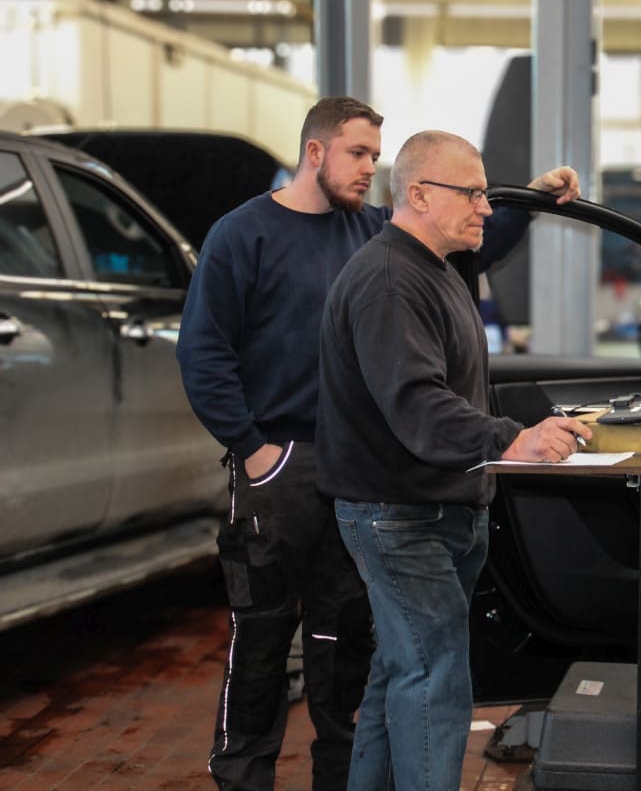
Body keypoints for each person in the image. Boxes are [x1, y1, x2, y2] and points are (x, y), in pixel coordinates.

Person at [176, 97, 580, 791]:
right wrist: (252, 449)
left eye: (375, 154)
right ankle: (244, 777)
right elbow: (204, 352)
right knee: (268, 640)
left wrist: (530, 200)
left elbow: (461, 232)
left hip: (359, 464)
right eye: (359, 153)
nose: (371, 167)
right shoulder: (247, 235)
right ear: (315, 152)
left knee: (356, 653)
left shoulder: (371, 233)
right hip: (286, 464)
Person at [316, 130, 592, 791]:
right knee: (435, 678)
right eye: (471, 193)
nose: (484, 207)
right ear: (416, 194)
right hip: (397, 515)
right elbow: (417, 405)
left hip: (436, 509)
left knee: (401, 674)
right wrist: (510, 440)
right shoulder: (388, 281)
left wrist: (532, 197)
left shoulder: (436, 267)